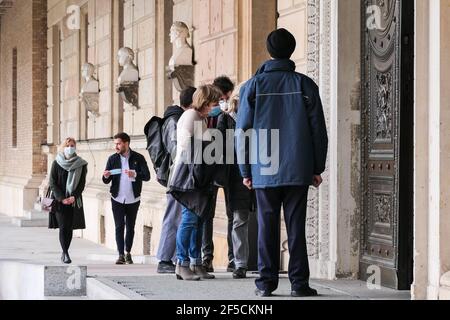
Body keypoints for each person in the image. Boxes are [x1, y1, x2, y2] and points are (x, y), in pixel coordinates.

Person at [236, 28, 328, 297]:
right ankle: (299, 285)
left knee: (267, 225)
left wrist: (245, 170)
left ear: (269, 51)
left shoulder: (252, 87)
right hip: (298, 167)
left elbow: (242, 133)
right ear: (292, 50)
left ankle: (265, 284)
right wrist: (316, 167)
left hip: (264, 168)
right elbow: (318, 131)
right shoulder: (305, 85)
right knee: (296, 226)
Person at [168, 85, 222, 280]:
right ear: (206, 101)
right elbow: (187, 146)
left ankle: (196, 262)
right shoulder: (191, 116)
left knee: (198, 219)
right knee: (190, 220)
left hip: (199, 175)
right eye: (214, 102)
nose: (216, 106)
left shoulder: (201, 118)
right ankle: (181, 263)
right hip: (189, 175)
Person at [156, 86, 197, 274]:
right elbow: (176, 149)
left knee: (177, 216)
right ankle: (165, 259)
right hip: (177, 175)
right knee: (173, 216)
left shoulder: (175, 118)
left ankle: (171, 259)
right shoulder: (174, 119)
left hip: (178, 174)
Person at [217, 82, 255, 279]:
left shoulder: (258, 115)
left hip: (259, 172)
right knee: (239, 218)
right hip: (236, 176)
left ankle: (259, 261)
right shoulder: (226, 119)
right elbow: (222, 149)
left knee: (261, 218)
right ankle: (240, 263)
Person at [202, 75, 236, 273]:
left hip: (225, 167)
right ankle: (210, 257)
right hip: (216, 168)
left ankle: (226, 258)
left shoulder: (227, 113)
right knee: (209, 214)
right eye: (224, 97)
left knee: (227, 214)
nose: (224, 101)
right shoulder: (206, 114)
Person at [102, 132, 151, 265]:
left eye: (118, 143)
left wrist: (135, 173)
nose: (116, 146)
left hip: (133, 199)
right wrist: (106, 176)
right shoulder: (112, 159)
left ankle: (128, 252)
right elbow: (106, 180)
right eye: (115, 144)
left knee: (130, 226)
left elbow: (147, 176)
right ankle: (120, 255)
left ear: (126, 143)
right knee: (119, 226)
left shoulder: (138, 158)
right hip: (117, 198)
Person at [49, 138, 88, 264]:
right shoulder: (56, 163)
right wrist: (62, 198)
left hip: (73, 201)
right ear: (63, 147)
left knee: (69, 228)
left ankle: (65, 251)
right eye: (68, 145)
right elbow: (52, 183)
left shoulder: (81, 164)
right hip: (60, 201)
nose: (70, 147)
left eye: (72, 145)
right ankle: (65, 253)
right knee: (63, 227)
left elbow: (81, 184)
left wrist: (73, 196)